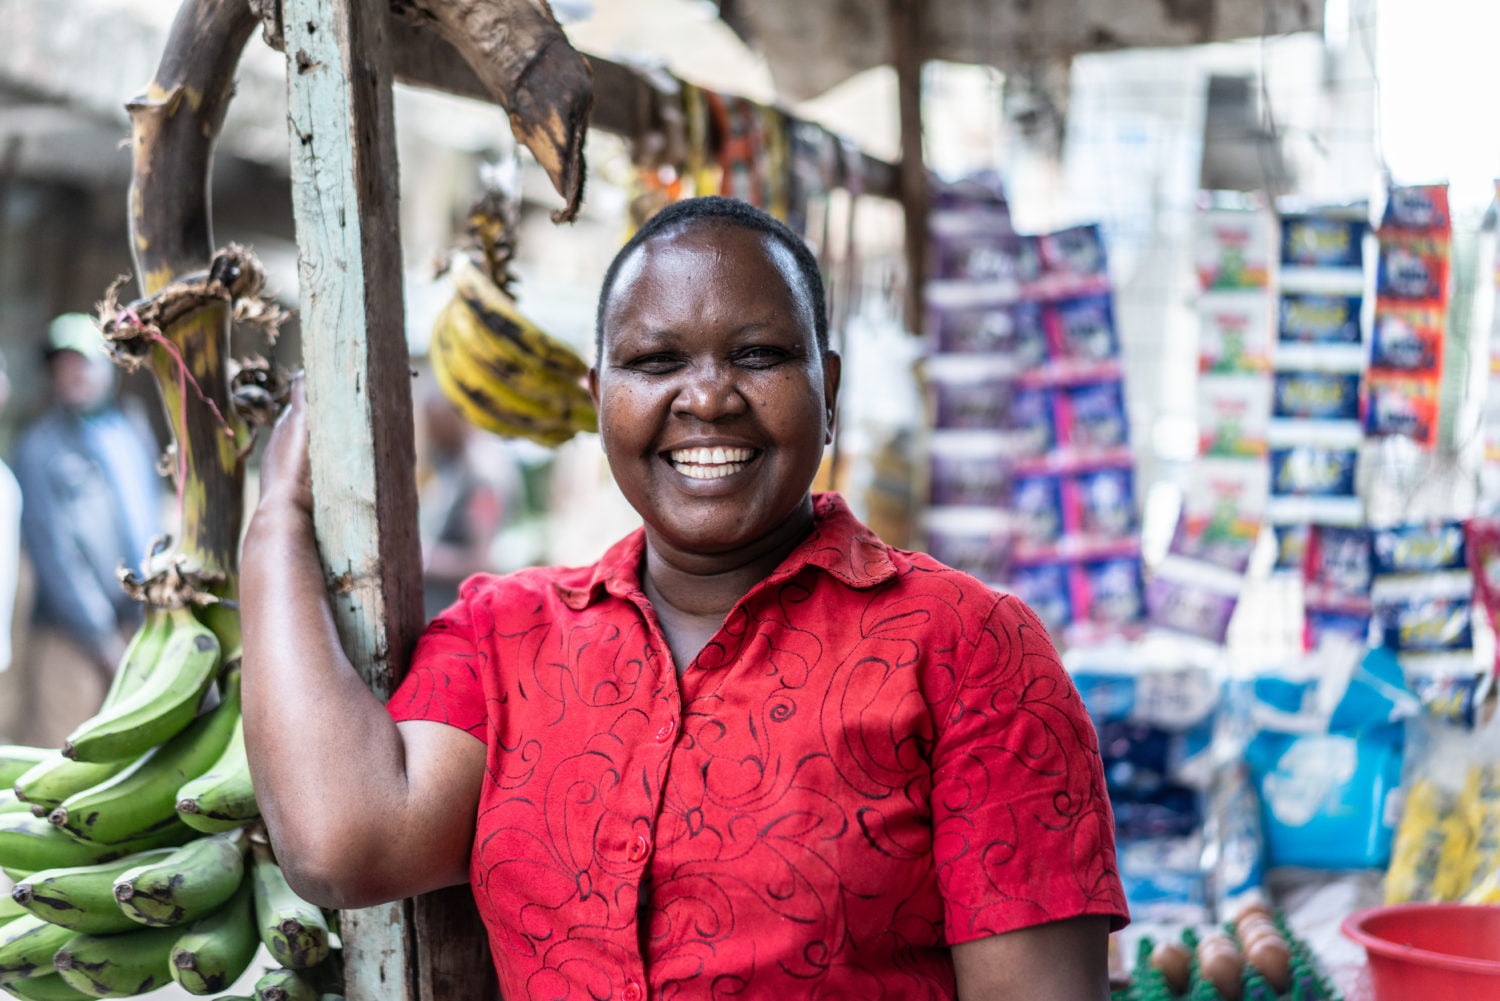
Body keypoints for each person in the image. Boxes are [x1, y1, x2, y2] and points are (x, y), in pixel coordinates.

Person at [242, 196, 1127, 1001]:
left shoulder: (967, 645)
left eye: (758, 355)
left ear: (830, 392)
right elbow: (342, 844)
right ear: (599, 401)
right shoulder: (505, 636)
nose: (706, 395)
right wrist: (275, 521)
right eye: (655, 360)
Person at [12, 313, 162, 745]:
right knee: (61, 756)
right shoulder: (41, 448)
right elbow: (54, 553)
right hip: (70, 638)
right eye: (62, 365)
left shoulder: (128, 432)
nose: (72, 374)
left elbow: (148, 518)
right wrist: (99, 638)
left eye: (83, 362)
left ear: (109, 367)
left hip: (134, 626)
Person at [415, 386, 518, 620]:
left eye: (435, 420)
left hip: (461, 618)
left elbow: (482, 561)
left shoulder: (483, 475)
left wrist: (422, 558)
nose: (430, 431)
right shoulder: (450, 467)